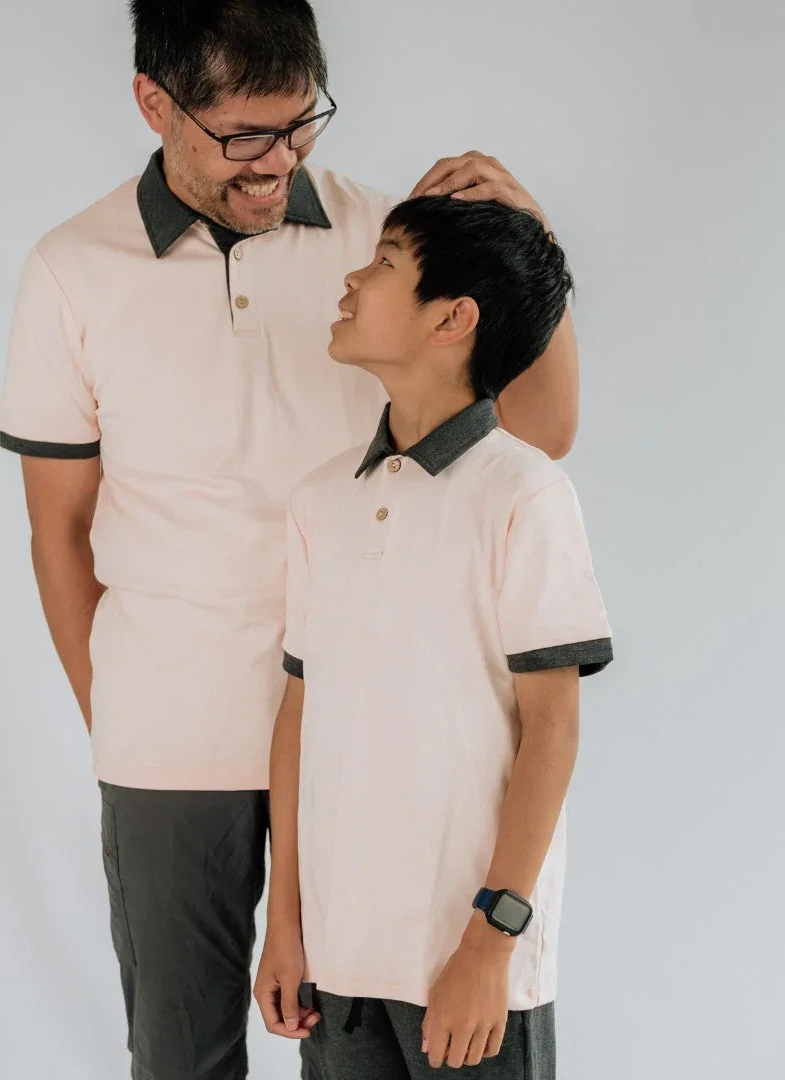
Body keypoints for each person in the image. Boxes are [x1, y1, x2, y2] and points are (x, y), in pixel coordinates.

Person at [0, 2, 580, 1076]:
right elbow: (58, 528)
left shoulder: (383, 238)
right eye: (243, 137)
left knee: (361, 1045)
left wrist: (533, 235)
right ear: (154, 102)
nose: (277, 162)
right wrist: (117, 715)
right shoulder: (70, 268)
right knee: (180, 1054)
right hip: (169, 730)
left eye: (298, 124)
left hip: (366, 732)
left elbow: (537, 436)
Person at [253, 195, 613, 1079]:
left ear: (453, 318)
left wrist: (491, 947)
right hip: (338, 970)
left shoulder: (524, 495)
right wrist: (286, 925)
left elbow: (553, 732)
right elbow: (300, 717)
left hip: (468, 970)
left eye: (383, 263)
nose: (352, 276)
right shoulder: (321, 500)